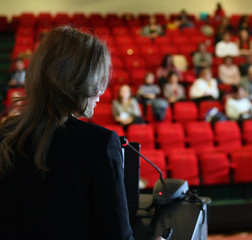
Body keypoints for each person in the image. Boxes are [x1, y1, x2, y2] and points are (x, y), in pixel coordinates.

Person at [0, 26, 150, 240]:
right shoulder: (100, 144)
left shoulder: (4, 134)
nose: (101, 91)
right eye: (98, 80)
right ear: (76, 80)